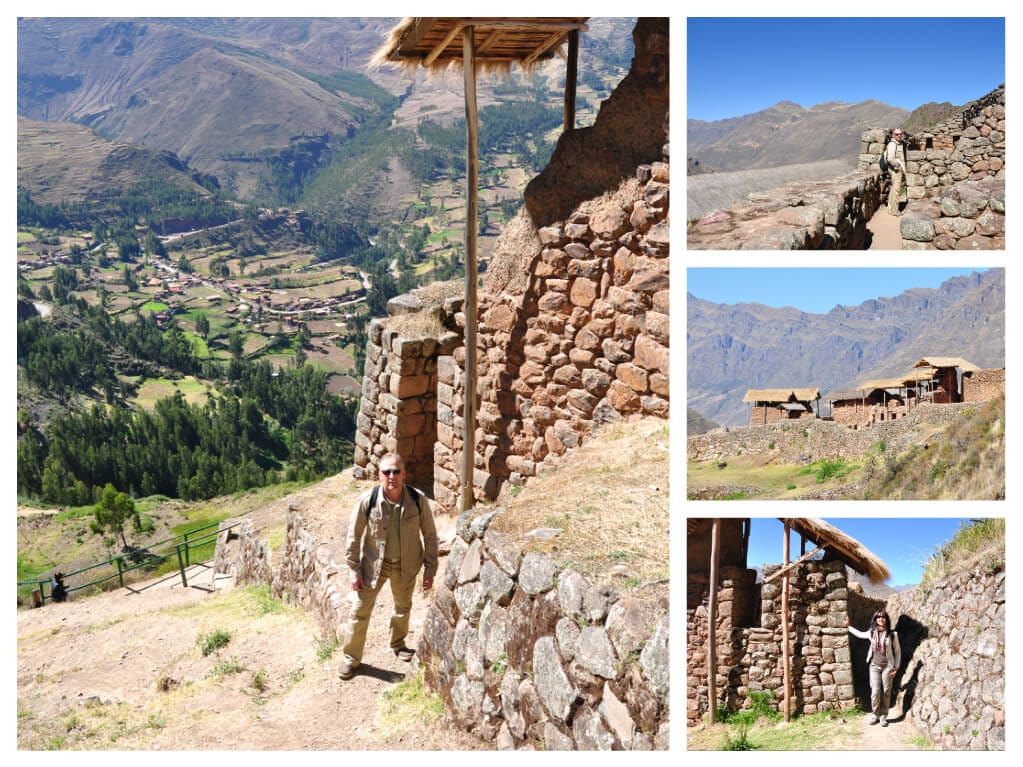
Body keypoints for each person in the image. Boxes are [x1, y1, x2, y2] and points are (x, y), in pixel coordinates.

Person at [338, 452, 438, 680]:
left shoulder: (417, 499)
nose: (391, 476)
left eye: (396, 471)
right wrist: (354, 571)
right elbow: (353, 538)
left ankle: (399, 644)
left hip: (407, 565)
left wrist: (430, 570)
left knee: (403, 608)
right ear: (379, 475)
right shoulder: (368, 501)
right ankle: (350, 659)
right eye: (386, 472)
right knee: (359, 611)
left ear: (404, 474)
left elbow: (431, 536)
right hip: (374, 566)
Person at [847, 609, 901, 726]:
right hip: (874, 666)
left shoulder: (893, 634)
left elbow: (897, 652)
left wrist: (896, 668)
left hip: (888, 666)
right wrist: (848, 626)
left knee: (886, 691)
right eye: (878, 617)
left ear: (886, 619)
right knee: (875, 691)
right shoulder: (871, 632)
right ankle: (875, 714)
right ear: (875, 619)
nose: (881, 619)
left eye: (883, 617)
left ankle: (883, 715)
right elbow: (859, 634)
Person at [885, 129, 908, 216]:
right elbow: (890, 158)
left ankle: (890, 208)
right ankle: (895, 211)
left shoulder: (899, 143)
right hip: (895, 170)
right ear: (893, 135)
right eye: (897, 134)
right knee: (896, 190)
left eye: (900, 134)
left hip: (897, 169)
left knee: (894, 189)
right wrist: (897, 167)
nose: (899, 135)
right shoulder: (892, 144)